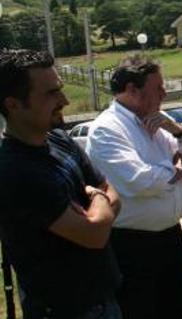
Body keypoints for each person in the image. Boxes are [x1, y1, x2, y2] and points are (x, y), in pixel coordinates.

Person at [0, 49, 122, 318]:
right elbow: (95, 235)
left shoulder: (59, 139)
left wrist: (97, 209)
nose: (64, 100)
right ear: (13, 105)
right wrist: (99, 200)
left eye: (60, 90)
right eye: (50, 93)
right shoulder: (14, 171)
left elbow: (114, 196)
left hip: (103, 299)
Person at [87, 54, 182, 319]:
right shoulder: (107, 129)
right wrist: (179, 168)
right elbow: (142, 181)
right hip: (133, 247)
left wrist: (177, 130)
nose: (165, 93)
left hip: (170, 240)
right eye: (159, 87)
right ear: (132, 90)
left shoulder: (155, 120)